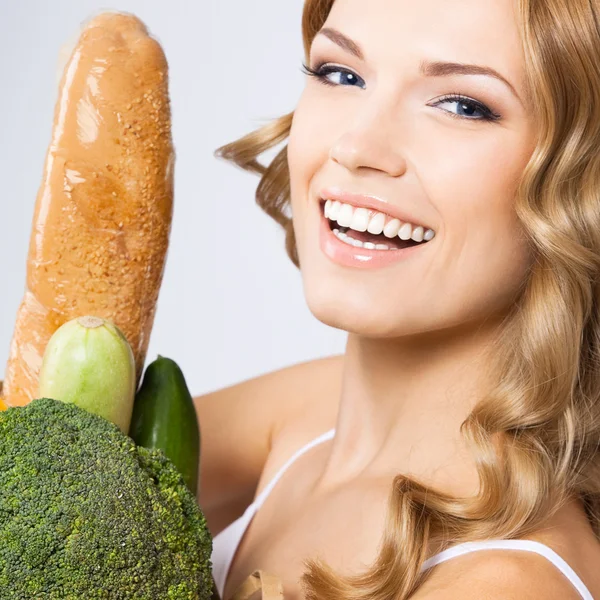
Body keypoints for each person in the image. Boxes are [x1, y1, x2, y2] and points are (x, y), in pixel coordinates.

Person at [194, 0, 600, 598]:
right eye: (341, 74)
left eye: (463, 105)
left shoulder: (504, 583)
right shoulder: (306, 415)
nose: (357, 146)